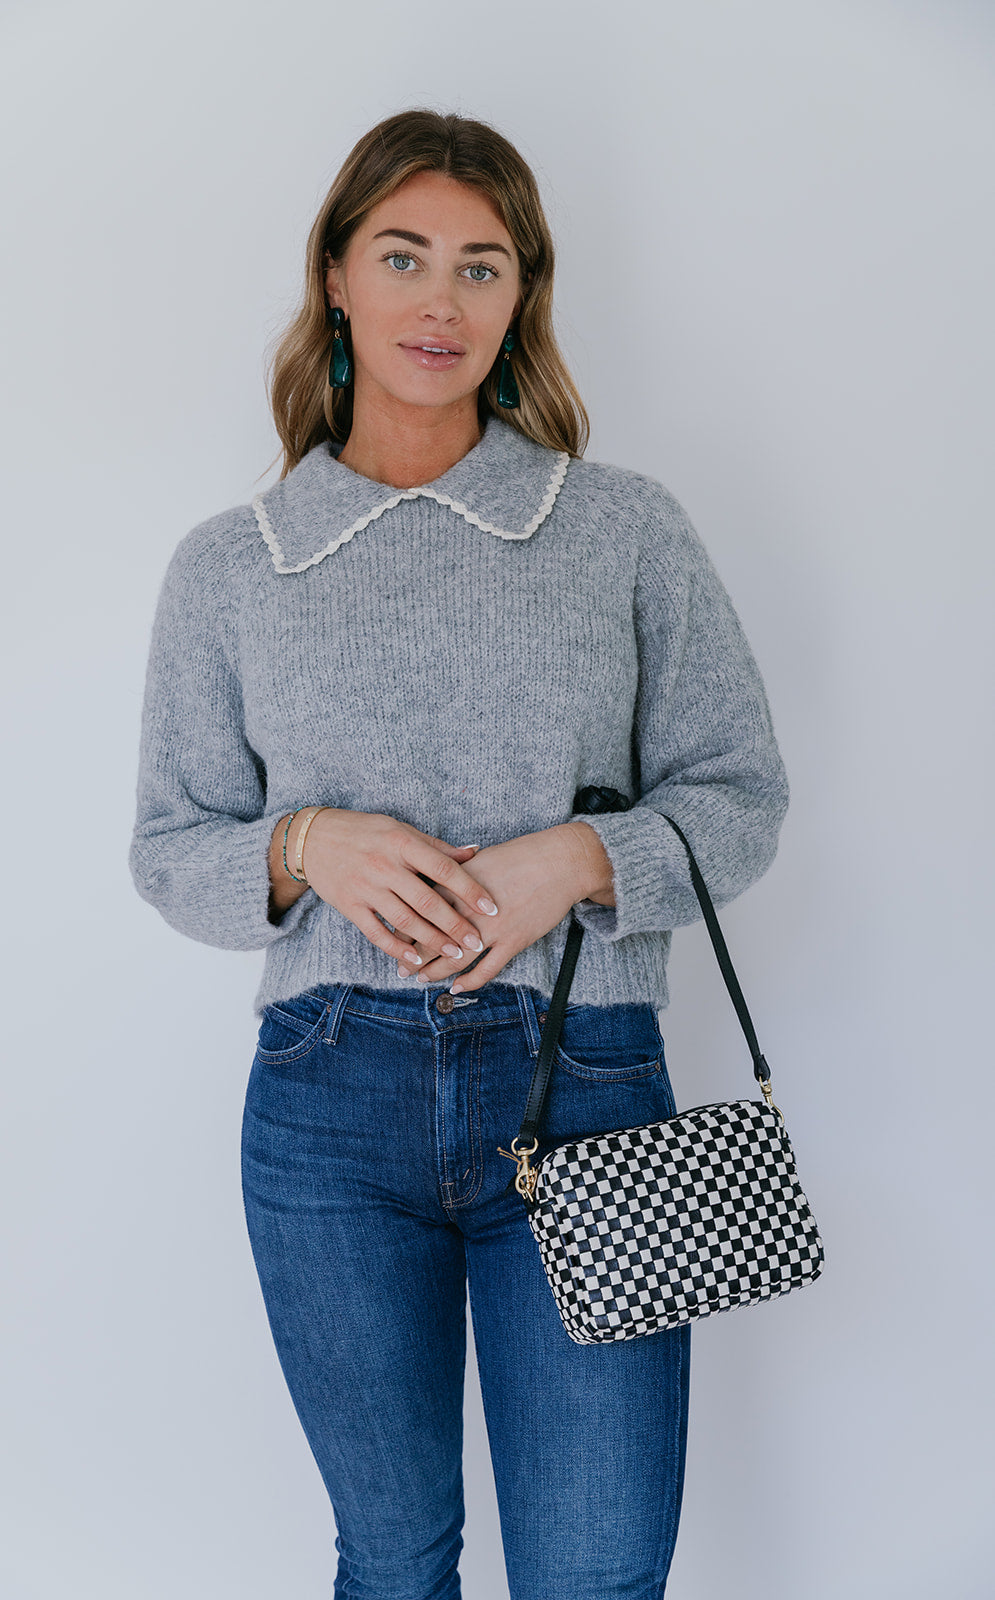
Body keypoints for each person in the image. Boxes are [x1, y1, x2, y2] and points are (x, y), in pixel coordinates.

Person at [129, 108, 788, 1600]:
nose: (444, 301)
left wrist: (577, 859)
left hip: (593, 1085)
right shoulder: (235, 564)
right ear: (340, 282)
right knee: (395, 1557)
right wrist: (304, 844)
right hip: (326, 1106)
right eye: (406, 257)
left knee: (598, 1576)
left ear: (523, 297)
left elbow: (740, 796)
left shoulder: (620, 532)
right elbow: (171, 846)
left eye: (483, 268)